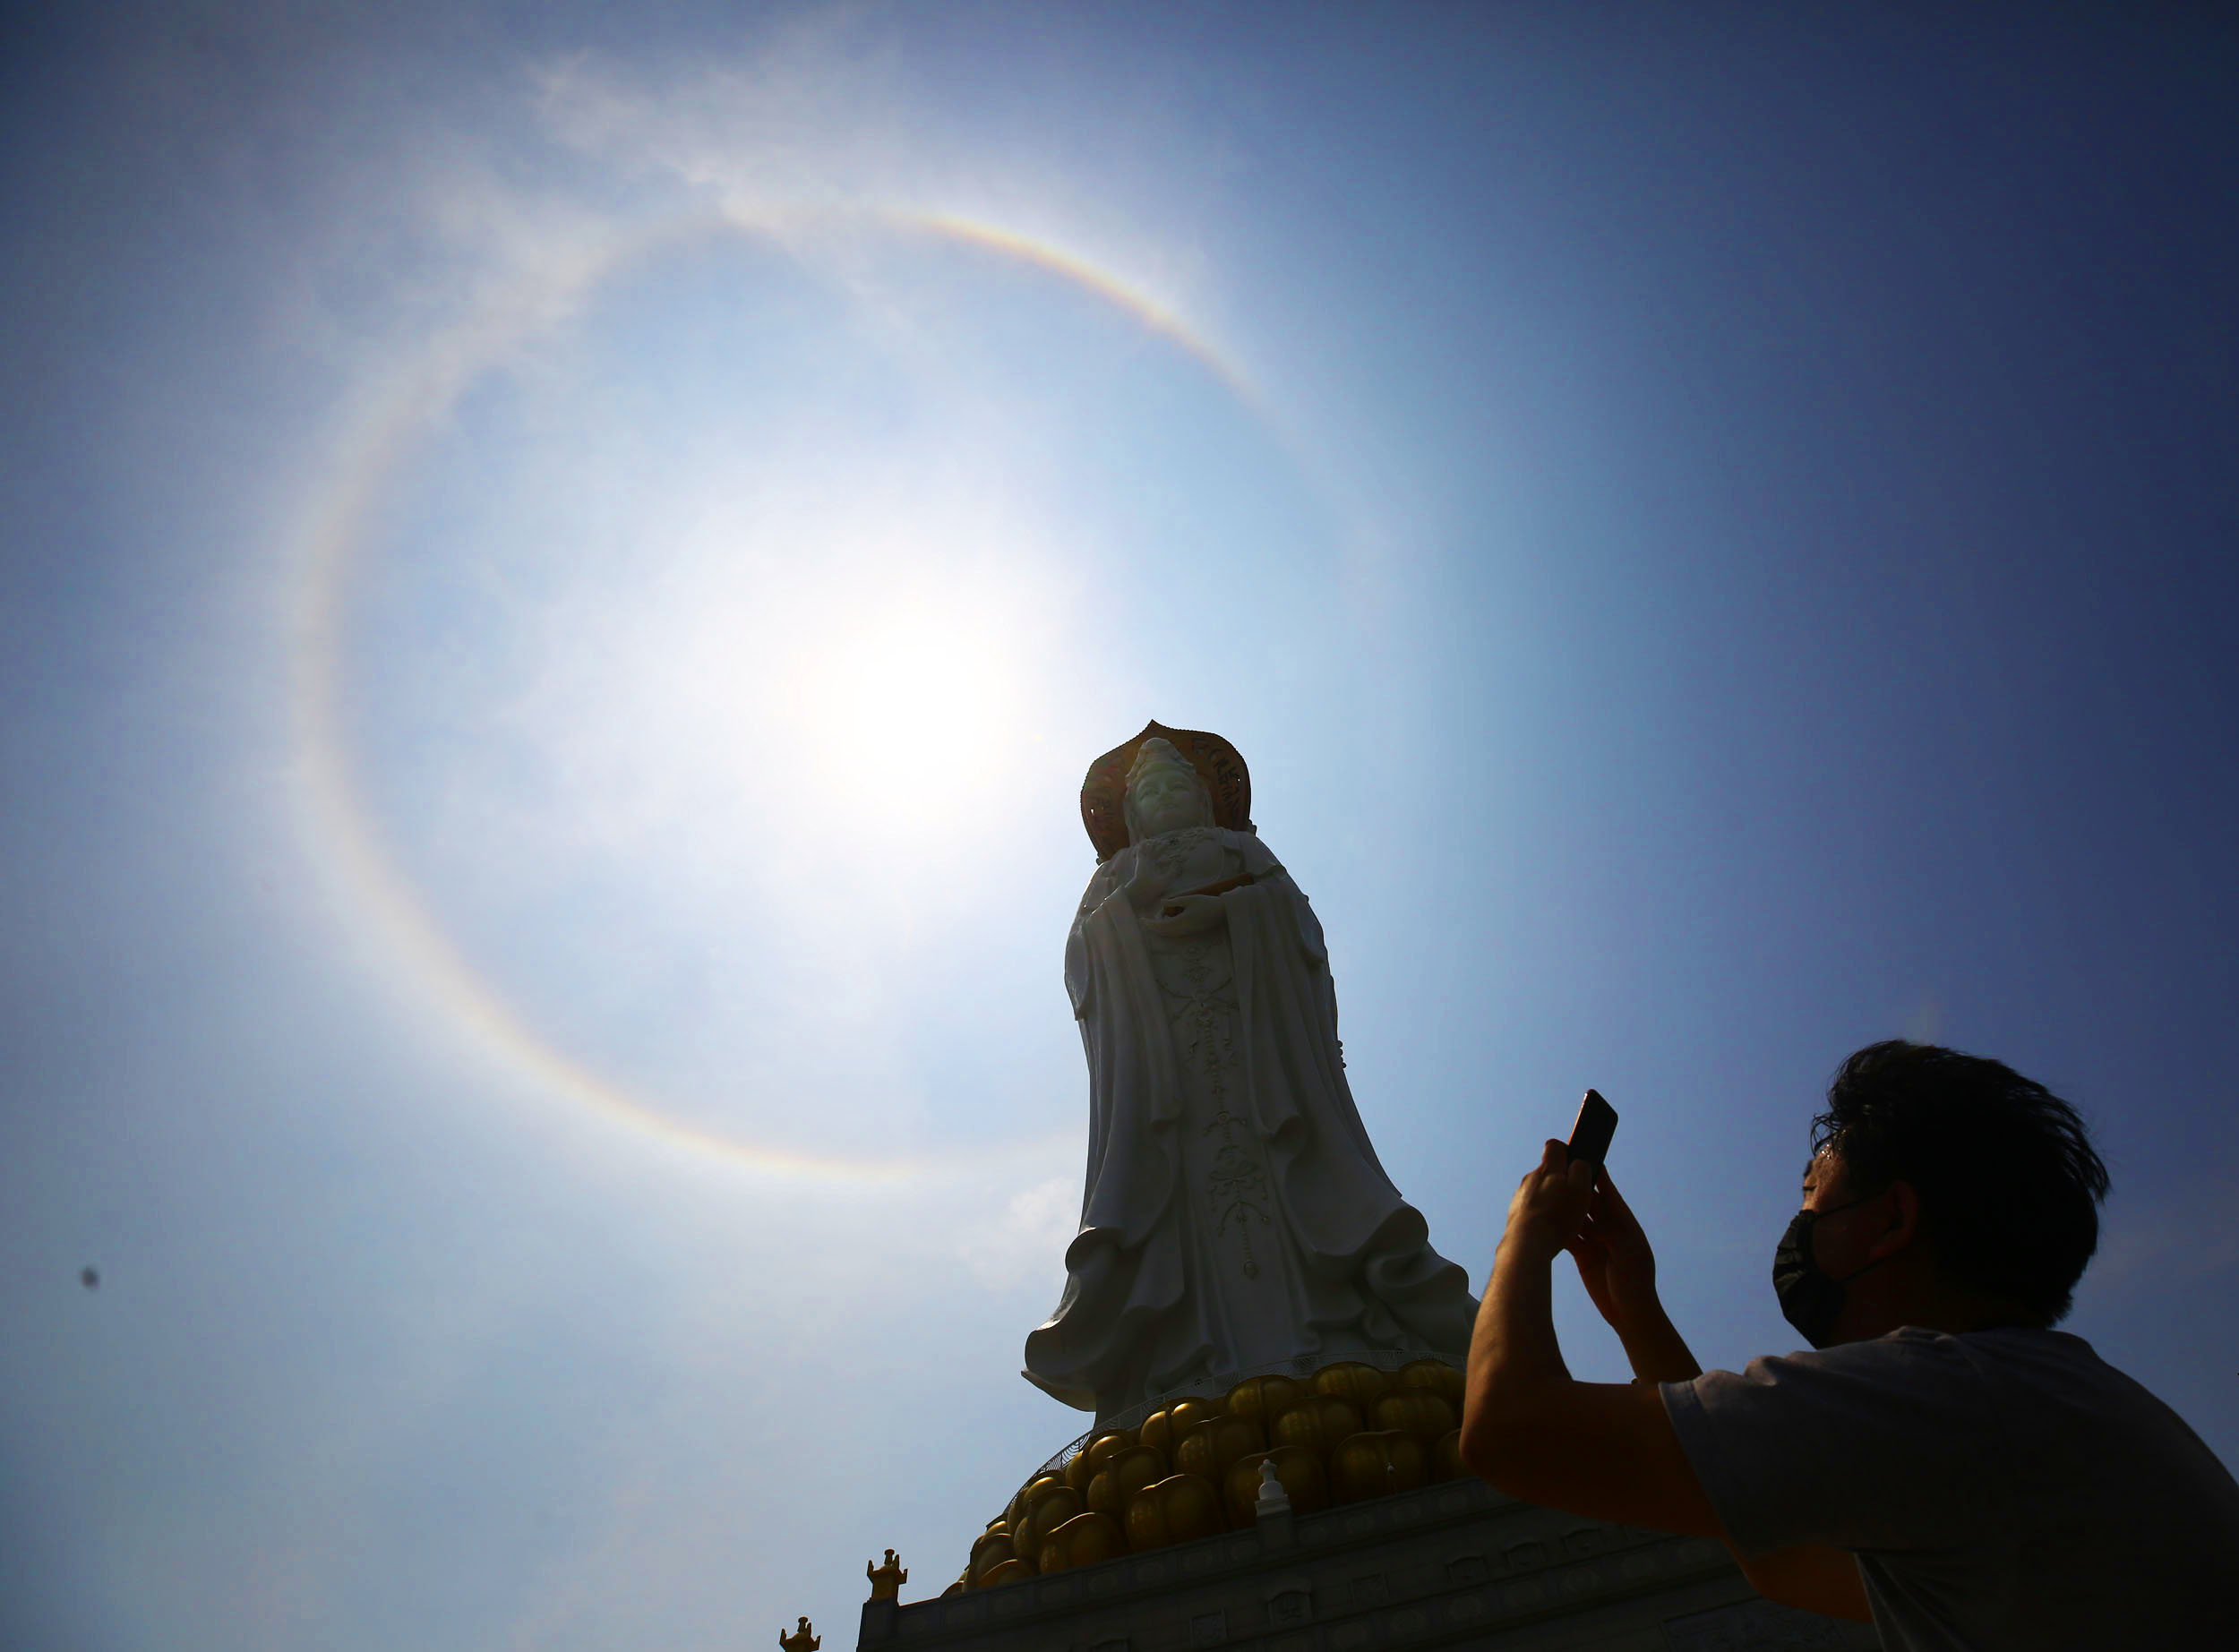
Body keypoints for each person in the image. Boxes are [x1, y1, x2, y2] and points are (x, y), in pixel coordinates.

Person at [1461, 1040, 2239, 1648]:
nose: (1797, 1220)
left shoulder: (1943, 1390)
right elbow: (1784, 1560)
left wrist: (1523, 1236)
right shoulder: (2047, 1407)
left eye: (1812, 1192)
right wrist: (1635, 1307)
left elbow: (1508, 1429)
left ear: (1892, 1220)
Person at [1024, 729, 1476, 1422]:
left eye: (1179, 786)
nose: (1166, 795)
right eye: (1151, 791)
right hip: (1165, 1084)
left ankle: (1337, 1341)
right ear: (1132, 815)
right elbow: (1082, 963)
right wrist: (1126, 908)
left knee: (1293, 1176)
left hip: (1265, 1064)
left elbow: (1298, 927)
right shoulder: (1113, 880)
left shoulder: (1244, 852)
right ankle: (1190, 1363)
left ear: (1209, 801)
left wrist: (1229, 911)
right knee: (1181, 1197)